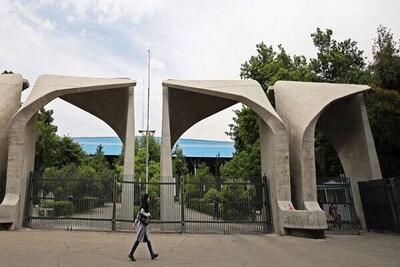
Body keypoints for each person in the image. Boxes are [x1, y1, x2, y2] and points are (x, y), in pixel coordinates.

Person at [128, 193, 159, 261]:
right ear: (146, 198)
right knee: (138, 239)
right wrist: (147, 214)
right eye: (148, 198)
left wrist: (135, 223)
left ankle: (152, 254)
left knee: (148, 239)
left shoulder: (144, 204)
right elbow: (141, 213)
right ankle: (131, 253)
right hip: (142, 225)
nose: (149, 199)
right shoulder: (145, 205)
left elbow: (138, 214)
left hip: (144, 225)